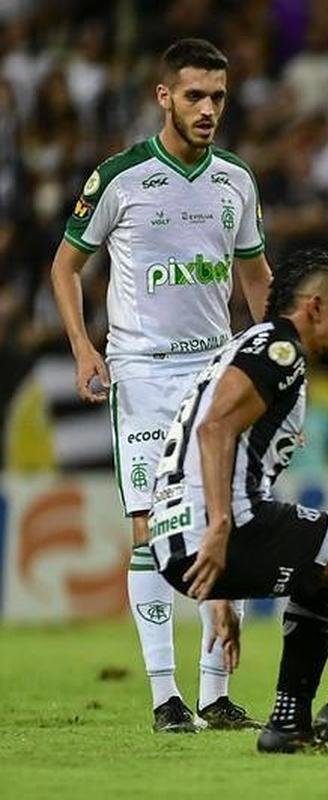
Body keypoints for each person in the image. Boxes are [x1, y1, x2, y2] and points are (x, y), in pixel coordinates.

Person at [49, 38, 271, 733]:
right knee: (151, 529)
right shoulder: (119, 178)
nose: (209, 109)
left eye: (219, 97)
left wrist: (274, 358)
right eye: (196, 96)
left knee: (219, 525)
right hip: (142, 373)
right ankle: (164, 696)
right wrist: (85, 348)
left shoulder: (235, 179)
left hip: (214, 371)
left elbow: (256, 278)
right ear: (164, 97)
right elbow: (64, 269)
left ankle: (214, 694)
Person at [148, 249, 328, 755]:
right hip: (218, 528)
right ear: (313, 308)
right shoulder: (278, 352)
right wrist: (219, 528)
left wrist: (217, 591)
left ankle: (288, 723)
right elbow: (214, 428)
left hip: (176, 538)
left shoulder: (249, 345)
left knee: (325, 564)